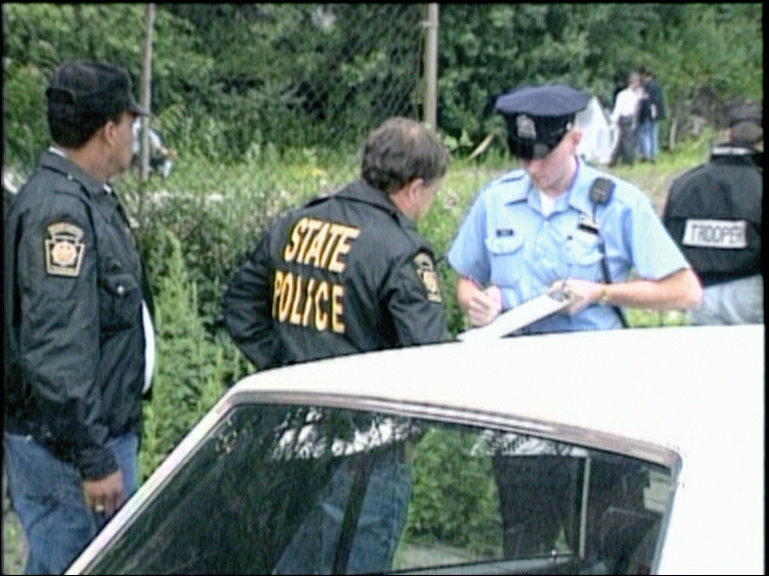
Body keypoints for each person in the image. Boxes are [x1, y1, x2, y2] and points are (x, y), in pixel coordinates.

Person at [446, 82, 702, 559]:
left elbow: (684, 290)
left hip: (598, 402)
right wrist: (473, 302)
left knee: (605, 543)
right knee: (523, 545)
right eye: (524, 155)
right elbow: (465, 278)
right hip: (520, 405)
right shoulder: (496, 200)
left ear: (575, 140)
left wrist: (601, 292)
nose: (532, 166)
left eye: (543, 154)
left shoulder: (618, 203)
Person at [222, 116, 450, 573]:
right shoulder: (401, 250)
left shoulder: (296, 224)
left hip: (291, 435)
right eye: (431, 194)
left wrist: (284, 365)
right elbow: (429, 358)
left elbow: (240, 306)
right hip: (366, 449)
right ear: (413, 187)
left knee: (292, 561)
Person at [3, 60, 156, 575]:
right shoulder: (61, 213)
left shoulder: (80, 195)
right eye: (131, 123)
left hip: (77, 440)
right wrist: (93, 457)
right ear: (109, 130)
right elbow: (56, 348)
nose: (135, 135)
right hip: (69, 453)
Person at [662, 103, 762, 325]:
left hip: (697, 292)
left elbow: (667, 242)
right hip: (752, 291)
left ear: (728, 134)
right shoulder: (758, 182)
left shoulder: (684, 183)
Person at [609, 71, 643, 166]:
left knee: (622, 140)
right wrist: (614, 120)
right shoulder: (623, 95)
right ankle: (629, 161)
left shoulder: (636, 95)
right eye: (637, 82)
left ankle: (614, 161)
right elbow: (618, 108)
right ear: (632, 83)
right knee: (628, 140)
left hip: (630, 118)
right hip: (623, 118)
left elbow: (636, 108)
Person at [636, 66, 665, 163]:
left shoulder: (645, 87)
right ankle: (654, 154)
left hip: (647, 114)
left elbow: (644, 101)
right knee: (654, 134)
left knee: (644, 134)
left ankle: (646, 155)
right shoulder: (657, 86)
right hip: (656, 114)